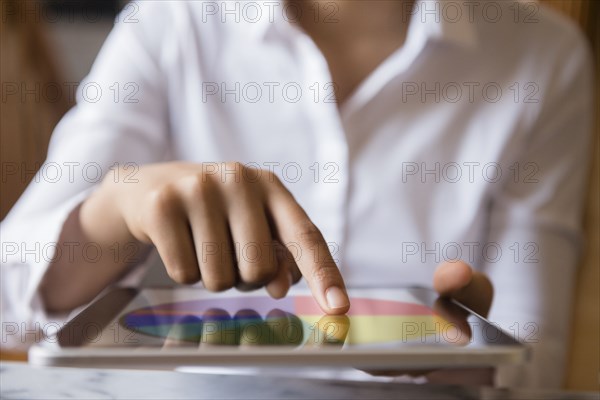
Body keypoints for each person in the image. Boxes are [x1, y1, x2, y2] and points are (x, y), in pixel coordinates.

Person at [0, 0, 593, 388]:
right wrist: (117, 207)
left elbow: (534, 359)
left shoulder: (544, 57)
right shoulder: (170, 25)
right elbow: (9, 299)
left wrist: (475, 372)